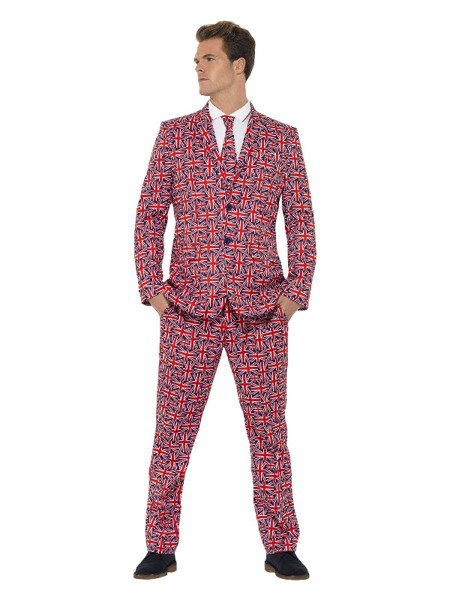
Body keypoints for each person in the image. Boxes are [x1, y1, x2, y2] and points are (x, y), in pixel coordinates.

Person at [133, 20, 316, 580]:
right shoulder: (174, 135)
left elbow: (301, 223)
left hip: (262, 314)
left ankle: (280, 544)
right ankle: (160, 544)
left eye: (208, 58)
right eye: (197, 60)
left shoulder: (282, 139)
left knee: (269, 434)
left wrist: (294, 296)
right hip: (187, 312)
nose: (198, 67)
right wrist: (154, 290)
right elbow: (149, 216)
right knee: (172, 432)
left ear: (239, 66)